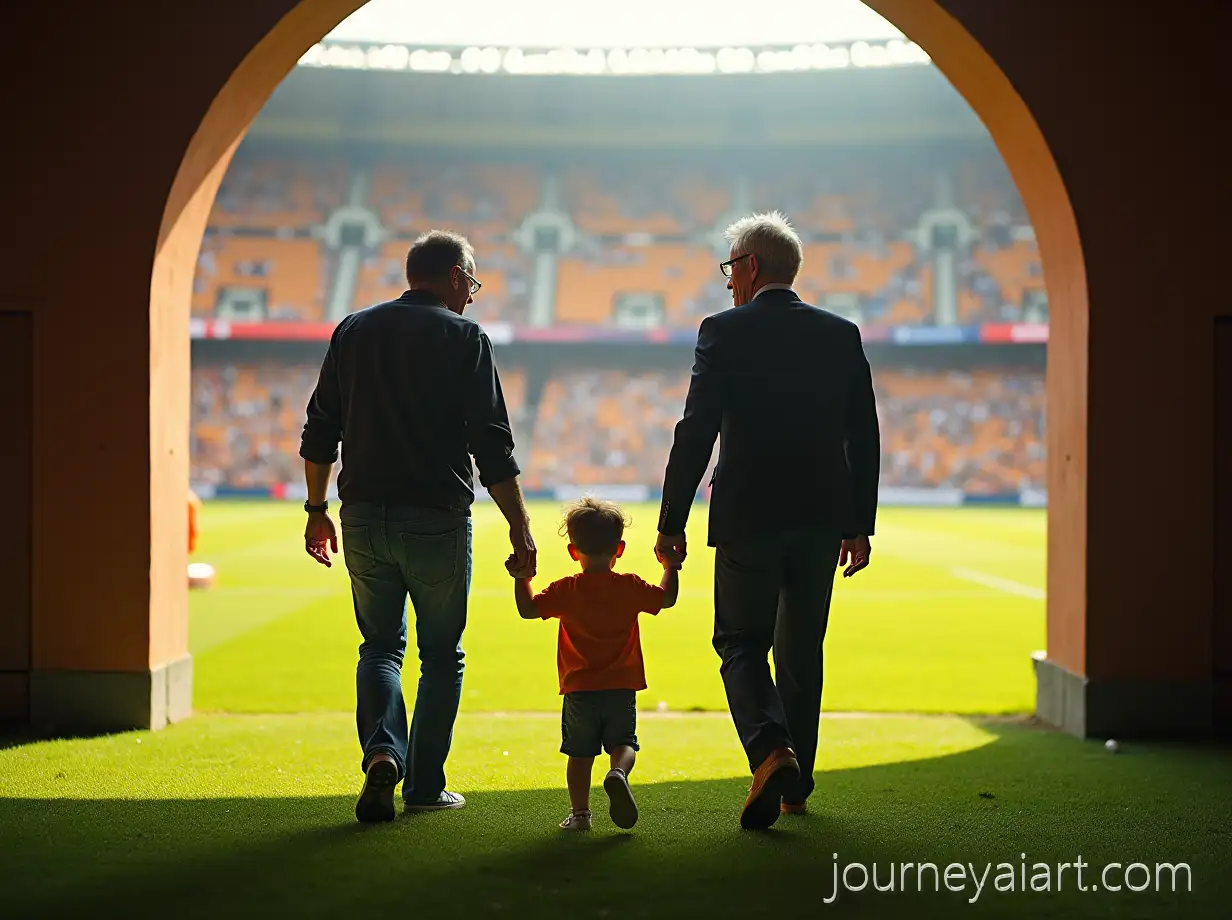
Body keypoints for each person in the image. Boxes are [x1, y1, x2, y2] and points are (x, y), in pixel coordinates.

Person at [300, 230, 538, 823]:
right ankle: (425, 785)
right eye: (473, 284)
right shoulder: (465, 338)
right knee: (440, 655)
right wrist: (521, 530)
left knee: (379, 647)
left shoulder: (353, 330)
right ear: (456, 276)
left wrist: (315, 510)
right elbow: (493, 445)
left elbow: (319, 429)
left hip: (360, 516)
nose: (473, 297)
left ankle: (383, 751)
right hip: (435, 517)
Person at [656, 211, 880, 830]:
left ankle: (770, 750)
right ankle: (795, 787)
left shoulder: (723, 331)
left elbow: (696, 428)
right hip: (819, 519)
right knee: (801, 650)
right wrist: (859, 522)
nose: (729, 281)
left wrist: (671, 520)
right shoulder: (841, 333)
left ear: (751, 267)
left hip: (746, 515)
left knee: (740, 642)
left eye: (732, 267)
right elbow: (863, 433)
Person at [513, 497, 679, 832]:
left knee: (579, 754)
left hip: (579, 688)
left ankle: (581, 816)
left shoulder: (566, 589)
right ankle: (618, 772)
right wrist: (669, 565)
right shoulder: (629, 586)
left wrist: (523, 576)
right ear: (619, 548)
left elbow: (528, 609)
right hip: (622, 685)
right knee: (625, 743)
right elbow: (667, 598)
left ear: (574, 551)